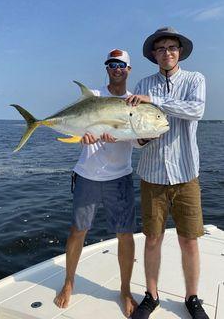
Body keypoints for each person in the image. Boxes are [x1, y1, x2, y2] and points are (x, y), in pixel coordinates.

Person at [127, 27, 209, 319]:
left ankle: (192, 297)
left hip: (186, 173)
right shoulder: (142, 83)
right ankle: (151, 295)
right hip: (152, 175)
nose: (167, 53)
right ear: (153, 54)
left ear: (180, 51)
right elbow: (135, 129)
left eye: (171, 47)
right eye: (160, 49)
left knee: (189, 240)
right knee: (152, 239)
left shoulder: (195, 79)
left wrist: (154, 102)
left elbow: (195, 110)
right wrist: (140, 140)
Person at [54, 49, 138, 317]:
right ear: (107, 69)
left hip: (120, 176)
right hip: (87, 175)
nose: (117, 69)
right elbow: (80, 125)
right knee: (78, 230)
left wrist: (124, 136)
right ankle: (69, 282)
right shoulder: (94, 96)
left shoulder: (133, 103)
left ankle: (124, 290)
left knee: (125, 235)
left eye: (121, 65)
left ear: (129, 69)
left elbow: (137, 137)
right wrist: (82, 136)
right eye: (112, 65)